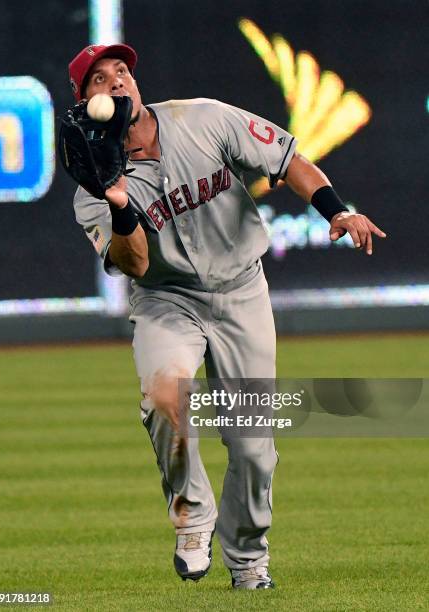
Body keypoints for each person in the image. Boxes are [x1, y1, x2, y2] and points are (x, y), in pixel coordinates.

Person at [68, 43, 386, 590]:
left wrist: (337, 211)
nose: (117, 82)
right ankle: (191, 518)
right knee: (165, 395)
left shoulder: (204, 118)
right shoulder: (92, 190)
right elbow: (137, 262)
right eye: (100, 78)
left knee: (253, 444)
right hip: (166, 300)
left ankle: (247, 560)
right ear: (85, 100)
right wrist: (119, 201)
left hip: (241, 293)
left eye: (122, 71)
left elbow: (288, 161)